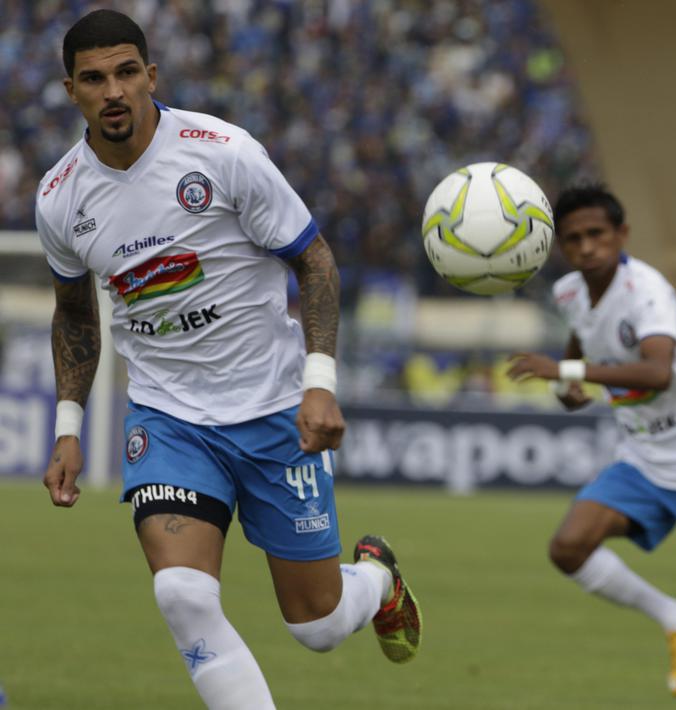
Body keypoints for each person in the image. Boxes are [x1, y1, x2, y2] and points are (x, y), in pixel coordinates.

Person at [37, 11, 421, 709]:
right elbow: (74, 314)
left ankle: (376, 580)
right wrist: (68, 426)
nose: (113, 91)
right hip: (169, 419)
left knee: (317, 625)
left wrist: (319, 383)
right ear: (71, 90)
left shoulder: (224, 153)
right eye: (93, 79)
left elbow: (314, 261)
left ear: (151, 76)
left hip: (273, 409)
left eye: (126, 72)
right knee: (181, 594)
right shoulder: (60, 198)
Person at [507, 184, 676, 697]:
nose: (587, 247)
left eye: (596, 233)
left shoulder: (648, 292)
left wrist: (564, 370)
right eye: (574, 239)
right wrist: (568, 388)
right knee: (568, 548)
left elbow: (657, 371)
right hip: (643, 460)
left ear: (622, 234)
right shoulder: (569, 293)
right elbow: (580, 349)